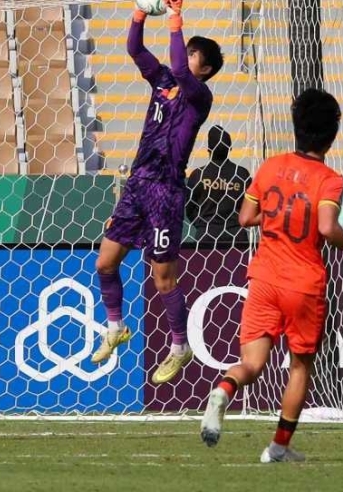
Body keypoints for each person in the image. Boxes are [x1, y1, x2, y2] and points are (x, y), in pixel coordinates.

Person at [199, 88, 343, 462]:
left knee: (251, 365)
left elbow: (245, 218)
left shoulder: (270, 166)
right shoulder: (329, 180)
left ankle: (223, 391)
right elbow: (326, 227)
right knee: (300, 366)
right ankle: (278, 447)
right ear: (331, 134)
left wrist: (277, 217)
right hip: (302, 283)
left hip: (263, 277)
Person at [94, 0, 223, 385]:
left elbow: (181, 68)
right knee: (105, 262)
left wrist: (173, 18)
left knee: (163, 278)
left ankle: (180, 346)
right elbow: (134, 49)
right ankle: (115, 326)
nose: (187, 54)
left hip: (166, 190)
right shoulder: (163, 80)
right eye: (189, 47)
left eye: (195, 52)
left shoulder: (199, 96)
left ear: (207, 68)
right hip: (137, 183)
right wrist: (138, 12)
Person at [185, 125, 251, 246]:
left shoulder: (198, 174)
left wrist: (203, 225)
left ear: (209, 150)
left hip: (206, 236)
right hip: (236, 236)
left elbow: (189, 208)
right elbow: (250, 206)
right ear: (230, 149)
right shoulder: (242, 174)